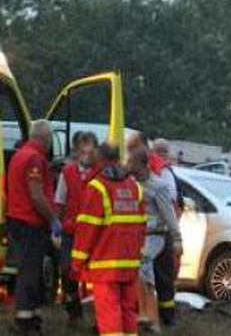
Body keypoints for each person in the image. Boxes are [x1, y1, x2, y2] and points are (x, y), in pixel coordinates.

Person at [71, 143, 147, 336]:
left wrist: (77, 263)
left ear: (101, 160)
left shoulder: (98, 187)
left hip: (105, 265)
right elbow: (142, 225)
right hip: (130, 264)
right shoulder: (134, 187)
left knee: (109, 316)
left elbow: (87, 229)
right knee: (128, 312)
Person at [7, 120, 59, 334]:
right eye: (49, 139)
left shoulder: (20, 154)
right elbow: (37, 195)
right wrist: (53, 219)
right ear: (44, 138)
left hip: (17, 220)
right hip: (30, 223)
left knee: (31, 270)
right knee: (30, 271)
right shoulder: (35, 158)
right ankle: (25, 320)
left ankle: (33, 315)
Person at [126, 132, 180, 326]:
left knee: (155, 272)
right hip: (134, 235)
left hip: (155, 234)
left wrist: (176, 238)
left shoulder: (160, 181)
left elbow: (169, 211)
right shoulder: (129, 182)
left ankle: (159, 317)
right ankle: (141, 313)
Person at [55, 131, 99, 326]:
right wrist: (55, 229)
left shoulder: (102, 172)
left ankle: (102, 316)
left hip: (96, 235)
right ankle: (74, 309)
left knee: (100, 276)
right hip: (71, 232)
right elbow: (59, 202)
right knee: (66, 269)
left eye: (91, 148)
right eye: (84, 148)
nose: (87, 152)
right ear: (77, 150)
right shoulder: (67, 172)